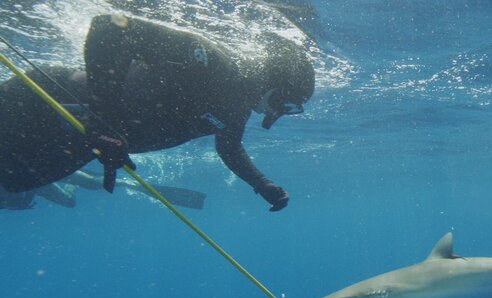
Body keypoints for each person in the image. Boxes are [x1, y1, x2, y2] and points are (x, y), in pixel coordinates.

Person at [0, 13, 315, 212]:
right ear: (275, 81)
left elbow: (229, 147)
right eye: (287, 105)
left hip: (76, 140)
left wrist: (261, 184)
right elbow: (108, 26)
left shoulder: (236, 108)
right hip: (43, 101)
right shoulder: (212, 62)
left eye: (292, 111)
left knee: (15, 184)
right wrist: (103, 120)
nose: (276, 116)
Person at [0, 170, 207, 210]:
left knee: (91, 182)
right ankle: (75, 179)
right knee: (69, 202)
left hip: (38, 172)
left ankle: (126, 183)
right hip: (34, 185)